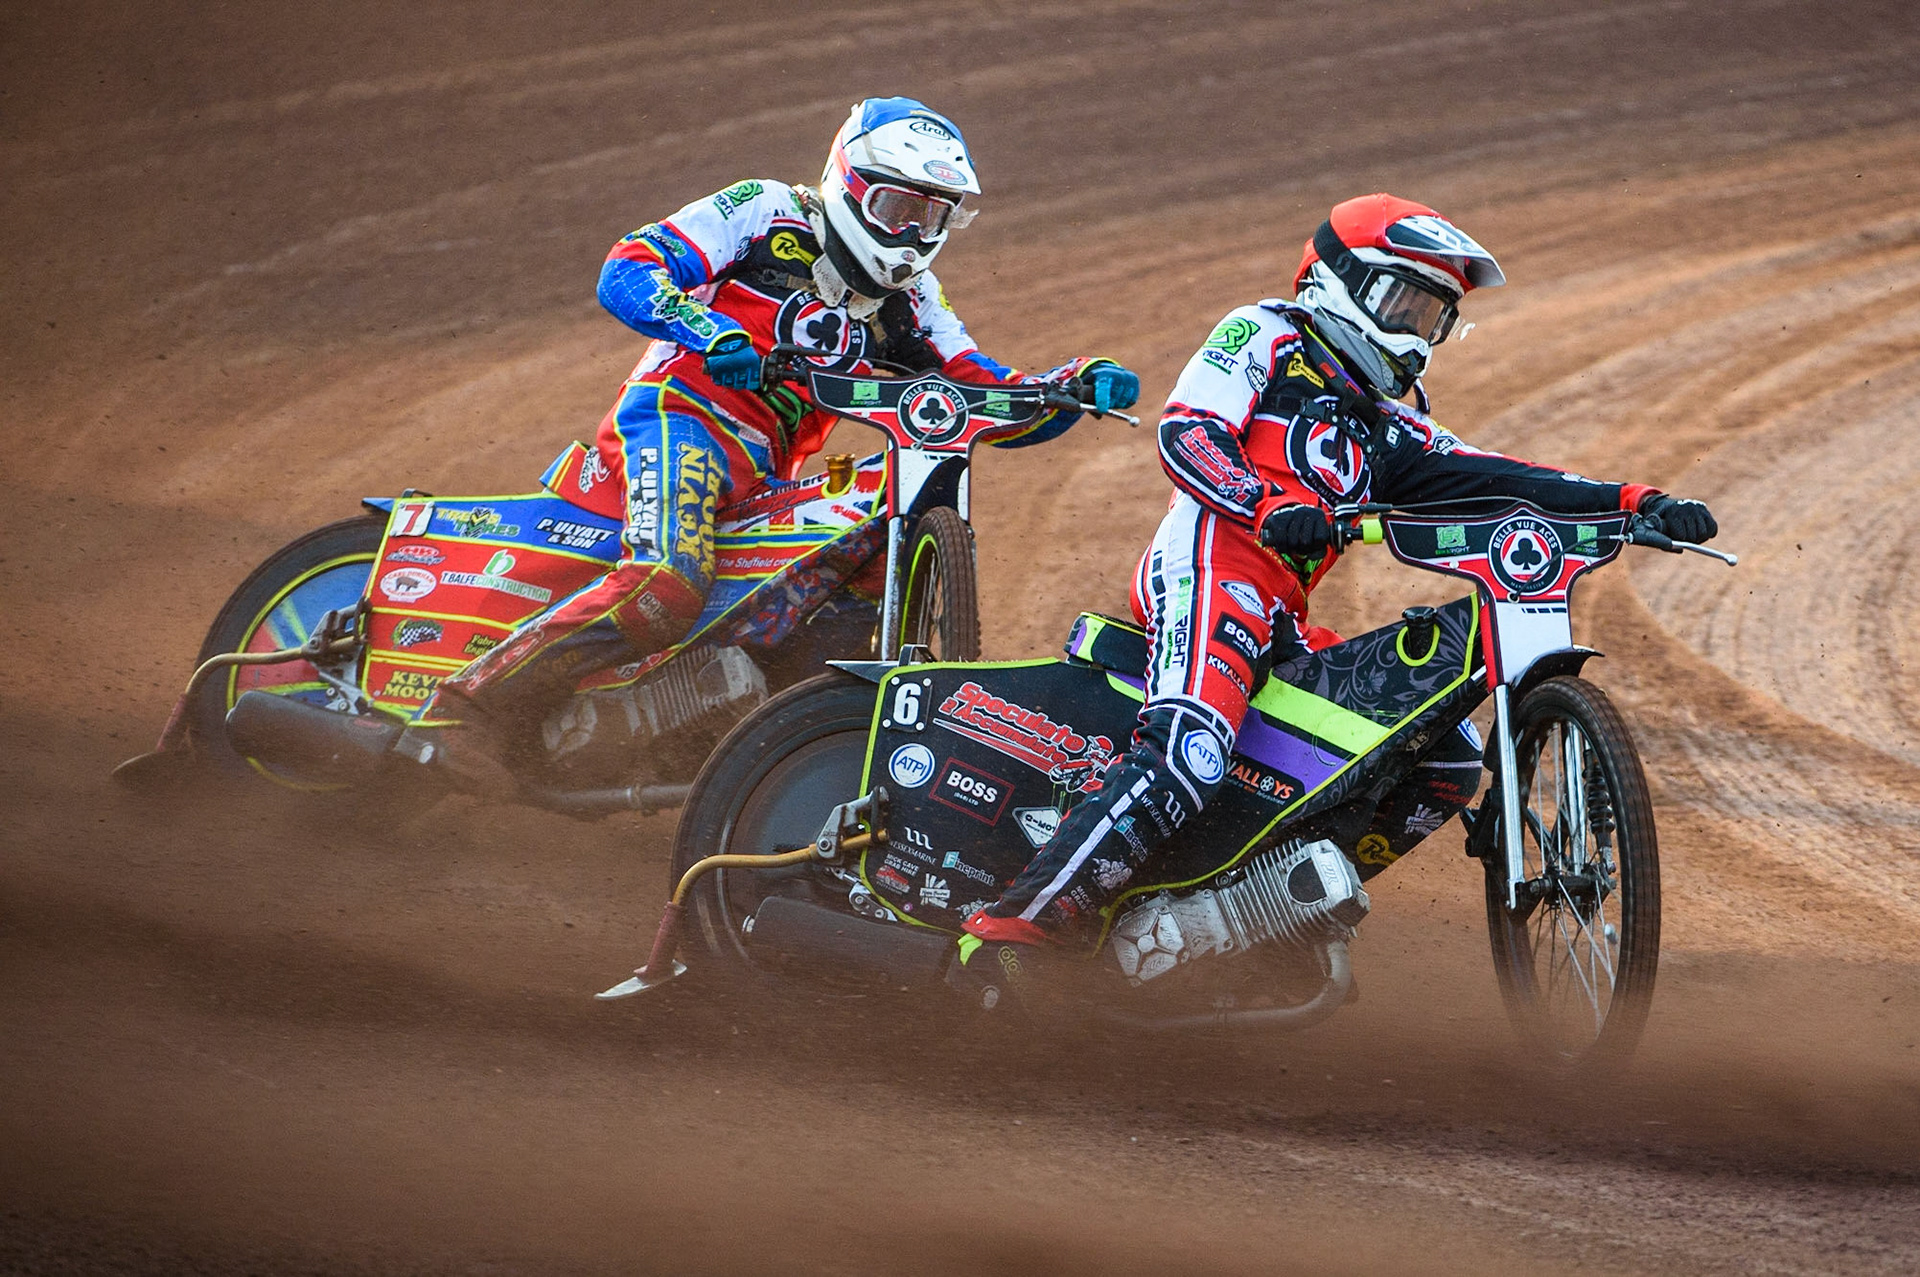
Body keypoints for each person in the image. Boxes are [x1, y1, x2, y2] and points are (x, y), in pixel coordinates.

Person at [961, 193, 1717, 951]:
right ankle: (1015, 926)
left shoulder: (1395, 422)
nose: (1417, 335)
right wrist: (1262, 504)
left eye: (1433, 317)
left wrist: (1632, 502)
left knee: (1446, 760)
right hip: (1209, 565)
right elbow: (1186, 433)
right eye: (1405, 303)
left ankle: (1253, 914)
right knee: (1189, 750)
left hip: (1280, 614)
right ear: (1336, 279)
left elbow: (1497, 475)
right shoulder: (1263, 332)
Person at [409, 98, 1140, 784]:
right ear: (850, 185)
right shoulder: (767, 210)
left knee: (869, 546)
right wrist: (708, 329)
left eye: (932, 215)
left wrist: (1069, 385)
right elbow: (629, 264)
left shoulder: (913, 298)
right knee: (668, 583)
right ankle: (467, 709)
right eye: (897, 208)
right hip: (683, 416)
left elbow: (978, 387)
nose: (913, 234)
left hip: (765, 471)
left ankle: (748, 745)